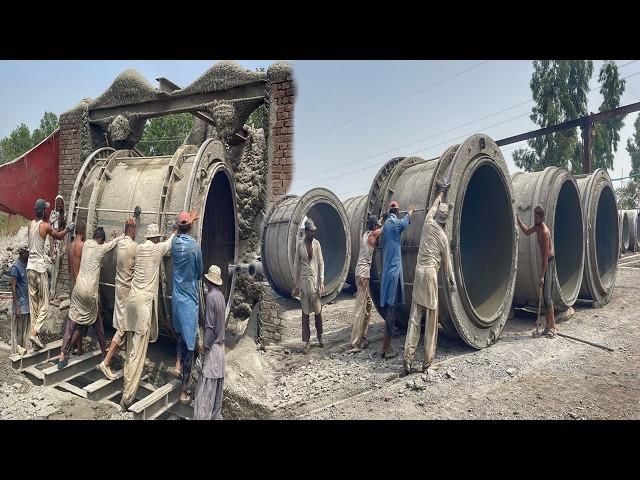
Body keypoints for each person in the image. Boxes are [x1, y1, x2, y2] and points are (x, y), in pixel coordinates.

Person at [120, 224, 175, 411]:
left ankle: (126, 384)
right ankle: (127, 398)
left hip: (131, 302)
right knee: (138, 351)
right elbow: (172, 241)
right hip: (143, 305)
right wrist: (178, 228)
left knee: (130, 349)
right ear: (157, 238)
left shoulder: (138, 248)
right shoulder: (157, 249)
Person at [403, 187, 456, 374]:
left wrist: (441, 194)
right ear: (446, 221)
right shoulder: (443, 238)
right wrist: (452, 282)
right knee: (432, 319)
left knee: (415, 317)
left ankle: (408, 359)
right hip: (431, 275)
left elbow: (433, 207)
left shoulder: (427, 222)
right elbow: (448, 265)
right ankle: (426, 361)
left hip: (418, 273)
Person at [58, 227, 124, 368]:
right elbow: (111, 245)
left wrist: (108, 240)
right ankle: (103, 352)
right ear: (101, 240)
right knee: (98, 322)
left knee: (72, 324)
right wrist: (119, 236)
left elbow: (104, 244)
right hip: (89, 292)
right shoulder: (101, 250)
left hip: (78, 289)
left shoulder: (87, 243)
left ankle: (63, 355)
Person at [27, 199, 74, 350]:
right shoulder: (45, 226)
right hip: (39, 268)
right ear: (44, 211)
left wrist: (49, 221)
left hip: (29, 268)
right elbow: (59, 236)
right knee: (45, 304)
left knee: (34, 305)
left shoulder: (30, 224)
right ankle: (35, 333)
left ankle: (34, 336)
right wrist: (67, 229)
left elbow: (37, 233)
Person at [170, 211, 203, 405]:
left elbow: (175, 231)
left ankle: (177, 364)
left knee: (180, 332)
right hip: (189, 299)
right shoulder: (195, 247)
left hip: (176, 298)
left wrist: (187, 219)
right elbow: (199, 273)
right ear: (190, 227)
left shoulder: (174, 243)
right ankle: (184, 392)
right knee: (190, 344)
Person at [99, 218, 137, 380]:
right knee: (123, 327)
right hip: (127, 291)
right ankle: (106, 362)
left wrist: (116, 235)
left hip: (118, 289)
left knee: (124, 324)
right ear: (133, 231)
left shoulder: (120, 243)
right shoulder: (134, 247)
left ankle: (125, 357)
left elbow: (119, 238)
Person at [379, 200, 414, 359]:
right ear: (397, 212)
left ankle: (385, 346)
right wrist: (411, 211)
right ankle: (386, 349)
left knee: (388, 308)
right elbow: (405, 223)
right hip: (393, 272)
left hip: (386, 273)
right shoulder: (395, 224)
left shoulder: (385, 226)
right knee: (391, 311)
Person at [517, 204, 557, 338]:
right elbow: (527, 232)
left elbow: (545, 257)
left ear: (542, 218)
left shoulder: (545, 232)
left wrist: (542, 276)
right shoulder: (537, 227)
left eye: (537, 217)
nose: (535, 218)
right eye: (534, 216)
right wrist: (518, 219)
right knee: (545, 297)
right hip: (545, 262)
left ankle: (553, 327)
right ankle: (548, 326)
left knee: (547, 296)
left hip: (549, 262)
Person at [193, 265, 226, 420]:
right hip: (221, 351)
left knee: (206, 395)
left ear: (208, 281)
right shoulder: (221, 296)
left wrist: (203, 348)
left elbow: (210, 328)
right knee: (216, 397)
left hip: (212, 350)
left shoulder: (211, 297)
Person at [348, 215, 384, 352]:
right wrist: (388, 219)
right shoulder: (372, 236)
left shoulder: (366, 234)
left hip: (360, 273)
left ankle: (362, 338)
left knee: (368, 305)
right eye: (377, 225)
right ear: (375, 227)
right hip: (363, 275)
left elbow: (377, 226)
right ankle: (354, 343)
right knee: (360, 309)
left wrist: (380, 219)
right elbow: (383, 230)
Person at [293, 218, 325, 354]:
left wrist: (322, 281)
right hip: (304, 283)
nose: (313, 233)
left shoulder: (316, 244)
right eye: (311, 231)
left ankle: (320, 336)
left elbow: (321, 263)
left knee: (318, 311)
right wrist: (296, 284)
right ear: (306, 231)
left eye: (314, 231)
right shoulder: (300, 246)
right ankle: (307, 342)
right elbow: (296, 266)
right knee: (305, 313)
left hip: (315, 282)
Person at [64, 220, 87, 356]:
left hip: (72, 285)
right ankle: (66, 350)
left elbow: (68, 268)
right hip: (80, 285)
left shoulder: (70, 246)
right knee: (82, 323)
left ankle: (79, 350)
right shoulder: (82, 246)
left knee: (74, 319)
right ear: (83, 231)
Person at [10, 246, 31, 355]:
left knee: (25, 333)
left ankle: (24, 355)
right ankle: (14, 356)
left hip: (27, 305)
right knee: (17, 333)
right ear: (22, 252)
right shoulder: (16, 267)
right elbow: (13, 287)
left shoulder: (27, 264)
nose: (29, 253)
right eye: (27, 252)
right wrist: (17, 307)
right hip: (20, 305)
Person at [48, 195, 66, 296]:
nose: (59, 206)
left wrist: (64, 246)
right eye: (57, 204)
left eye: (60, 204)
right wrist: (51, 250)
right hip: (54, 242)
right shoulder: (53, 214)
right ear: (55, 204)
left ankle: (53, 291)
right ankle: (51, 291)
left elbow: (64, 232)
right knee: (54, 266)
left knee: (58, 267)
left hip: (60, 242)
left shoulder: (63, 215)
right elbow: (50, 233)